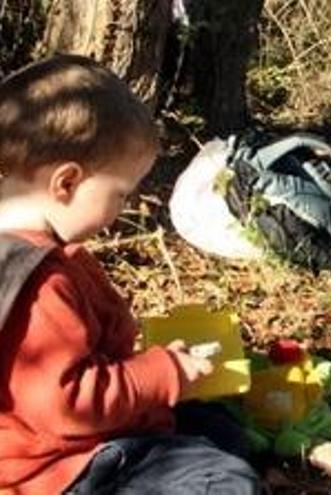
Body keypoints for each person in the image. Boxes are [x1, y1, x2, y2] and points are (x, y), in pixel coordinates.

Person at [0, 55, 261, 493]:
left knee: (223, 430)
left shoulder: (48, 255)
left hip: (68, 443)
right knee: (225, 482)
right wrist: (161, 373)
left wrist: (156, 369)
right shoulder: (39, 283)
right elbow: (70, 405)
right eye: (119, 194)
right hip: (57, 468)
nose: (124, 210)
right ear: (66, 183)